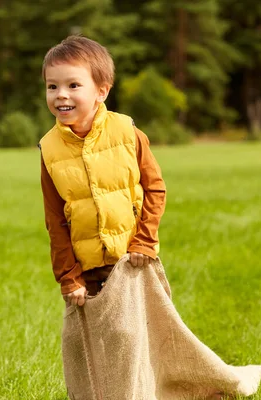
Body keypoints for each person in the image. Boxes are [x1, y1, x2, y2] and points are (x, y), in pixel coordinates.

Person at [39, 35, 167, 307]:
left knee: (140, 337)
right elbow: (54, 218)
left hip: (134, 259)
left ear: (102, 92)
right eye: (52, 86)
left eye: (73, 85)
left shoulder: (126, 132)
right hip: (87, 270)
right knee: (96, 344)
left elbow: (155, 188)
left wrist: (144, 242)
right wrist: (69, 276)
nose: (61, 94)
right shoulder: (49, 148)